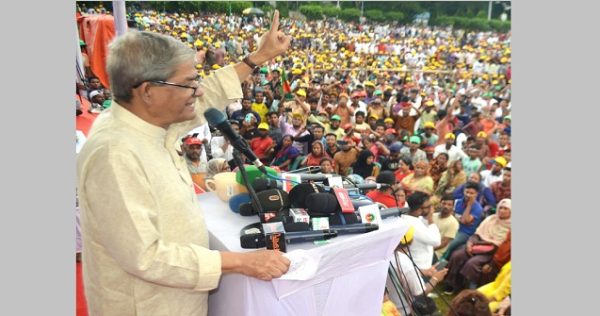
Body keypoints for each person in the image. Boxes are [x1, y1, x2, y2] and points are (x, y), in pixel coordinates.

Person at [76, 14, 292, 315]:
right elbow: (146, 257)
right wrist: (244, 262)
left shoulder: (147, 120)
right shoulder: (115, 154)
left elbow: (207, 97)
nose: (199, 91)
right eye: (190, 84)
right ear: (148, 91)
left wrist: (259, 57)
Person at [443, 199, 511, 294]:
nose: (502, 210)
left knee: (472, 263)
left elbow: (501, 247)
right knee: (457, 255)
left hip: (491, 252)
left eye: (506, 209)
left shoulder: (510, 226)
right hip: (476, 245)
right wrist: (470, 243)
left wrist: (480, 246)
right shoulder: (490, 219)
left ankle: (468, 292)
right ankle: (451, 284)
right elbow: (477, 234)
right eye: (500, 208)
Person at [440, 182, 485, 261]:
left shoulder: (478, 208)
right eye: (467, 192)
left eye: (471, 193)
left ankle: (441, 260)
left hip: (464, 233)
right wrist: (459, 219)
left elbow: (464, 221)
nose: (468, 195)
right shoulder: (457, 202)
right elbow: (451, 216)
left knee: (450, 243)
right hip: (453, 227)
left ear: (476, 194)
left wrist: (469, 205)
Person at [400, 191, 441, 270]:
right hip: (420, 266)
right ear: (419, 209)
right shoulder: (414, 225)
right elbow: (436, 242)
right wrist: (431, 220)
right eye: (428, 206)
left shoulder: (411, 217)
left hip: (420, 263)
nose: (431, 209)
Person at [433, 194, 460, 261]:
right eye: (444, 203)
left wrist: (426, 249)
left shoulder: (453, 223)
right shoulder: (432, 216)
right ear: (440, 204)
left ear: (453, 207)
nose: (446, 206)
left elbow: (443, 243)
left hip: (436, 253)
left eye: (449, 205)